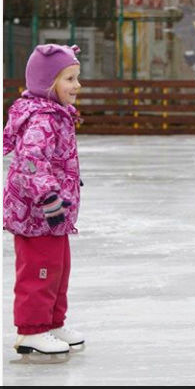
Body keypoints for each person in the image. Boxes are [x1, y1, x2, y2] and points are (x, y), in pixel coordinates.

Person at [3, 44, 86, 356]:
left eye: (77, 77)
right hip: (36, 213)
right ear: (46, 83)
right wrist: (51, 197)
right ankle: (31, 331)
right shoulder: (42, 119)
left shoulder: (56, 115)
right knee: (38, 272)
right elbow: (30, 164)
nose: (77, 85)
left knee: (58, 269)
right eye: (69, 78)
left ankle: (53, 322)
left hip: (54, 214)